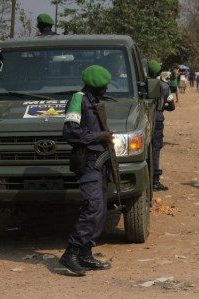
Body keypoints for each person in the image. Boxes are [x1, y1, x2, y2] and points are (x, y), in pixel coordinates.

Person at [60, 65, 114, 276]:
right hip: (88, 161)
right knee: (93, 207)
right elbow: (70, 132)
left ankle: (85, 253)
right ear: (93, 86)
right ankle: (71, 253)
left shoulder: (93, 101)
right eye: (102, 87)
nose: (105, 90)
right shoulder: (77, 99)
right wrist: (98, 136)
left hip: (100, 162)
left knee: (100, 211)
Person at [147, 61, 175, 191]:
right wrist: (163, 106)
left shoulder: (142, 85)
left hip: (144, 118)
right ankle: (155, 180)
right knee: (156, 148)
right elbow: (172, 107)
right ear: (159, 72)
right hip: (158, 118)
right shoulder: (164, 86)